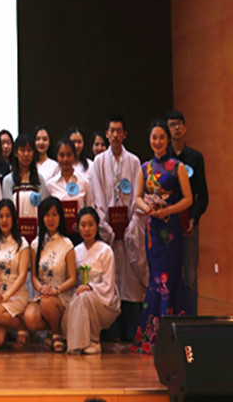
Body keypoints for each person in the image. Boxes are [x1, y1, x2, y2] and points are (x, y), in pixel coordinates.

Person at [133, 120, 193, 354]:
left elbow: (188, 199)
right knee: (156, 279)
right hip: (153, 232)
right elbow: (137, 197)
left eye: (161, 137)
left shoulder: (177, 166)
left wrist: (168, 210)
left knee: (171, 278)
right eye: (154, 137)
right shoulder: (144, 167)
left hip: (171, 230)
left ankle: (174, 335)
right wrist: (147, 208)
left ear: (168, 139)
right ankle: (152, 336)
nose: (157, 141)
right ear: (149, 140)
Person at [89, 115, 146, 342]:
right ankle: (112, 333)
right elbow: (97, 196)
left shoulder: (134, 162)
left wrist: (131, 226)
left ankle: (131, 331)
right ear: (106, 133)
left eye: (119, 131)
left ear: (125, 134)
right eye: (111, 130)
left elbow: (137, 195)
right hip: (108, 231)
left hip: (130, 230)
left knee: (130, 281)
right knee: (110, 279)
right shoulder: (98, 162)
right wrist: (106, 226)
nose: (115, 135)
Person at [166, 109, 208, 316]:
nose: (176, 128)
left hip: (188, 224)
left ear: (185, 128)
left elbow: (203, 195)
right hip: (166, 225)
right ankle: (170, 318)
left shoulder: (195, 157)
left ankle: (192, 319)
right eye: (172, 125)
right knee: (169, 273)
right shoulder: (162, 158)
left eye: (179, 124)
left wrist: (193, 218)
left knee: (190, 276)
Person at [63, 207, 119, 355]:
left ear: (97, 226)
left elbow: (108, 285)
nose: (87, 229)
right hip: (79, 297)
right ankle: (79, 343)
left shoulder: (106, 250)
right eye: (83, 225)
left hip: (103, 301)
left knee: (85, 296)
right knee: (79, 297)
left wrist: (89, 287)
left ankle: (94, 341)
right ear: (78, 227)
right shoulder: (75, 251)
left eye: (90, 224)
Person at [23, 196, 76, 352]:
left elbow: (72, 278)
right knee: (29, 318)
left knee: (48, 303)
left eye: (54, 214)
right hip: (43, 294)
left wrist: (56, 290)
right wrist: (41, 289)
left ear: (60, 216)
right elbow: (33, 276)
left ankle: (55, 334)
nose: (51, 219)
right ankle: (54, 328)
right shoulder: (35, 244)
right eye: (47, 215)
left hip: (61, 295)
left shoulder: (67, 244)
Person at [0, 199, 30, 351]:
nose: (4, 220)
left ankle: (21, 325)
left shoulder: (22, 243)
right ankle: (15, 324)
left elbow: (22, 275)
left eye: (8, 216)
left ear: (14, 218)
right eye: (1, 216)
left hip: (16, 296)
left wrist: (5, 297)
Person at [44, 139, 94, 240]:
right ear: (57, 157)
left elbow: (91, 209)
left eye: (69, 155)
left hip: (79, 236)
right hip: (57, 235)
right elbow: (46, 211)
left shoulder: (84, 182)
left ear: (74, 156)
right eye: (62, 155)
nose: (65, 159)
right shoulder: (50, 184)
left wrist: (82, 223)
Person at [1, 131, 45, 243]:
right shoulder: (8, 180)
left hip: (36, 235)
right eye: (22, 150)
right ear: (16, 153)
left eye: (29, 150)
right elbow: (8, 210)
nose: (26, 154)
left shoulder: (39, 179)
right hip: (14, 235)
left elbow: (43, 209)